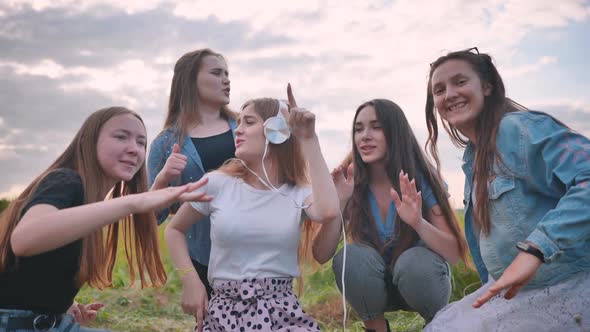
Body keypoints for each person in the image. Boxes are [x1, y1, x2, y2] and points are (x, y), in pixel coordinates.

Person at [423, 47, 590, 331]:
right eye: (439, 89)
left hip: (568, 285)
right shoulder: (472, 160)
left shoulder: (518, 129)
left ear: (487, 86)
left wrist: (535, 250)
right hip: (515, 293)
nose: (449, 94)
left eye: (460, 82)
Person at [0, 107, 210, 332]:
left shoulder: (89, 201)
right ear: (88, 141)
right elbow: (24, 240)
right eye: (121, 137)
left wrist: (61, 304)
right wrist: (133, 202)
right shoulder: (66, 180)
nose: (134, 149)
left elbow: (35, 270)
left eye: (141, 142)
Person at [165, 85, 340, 331]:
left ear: (276, 131)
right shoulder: (217, 183)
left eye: (248, 122)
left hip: (281, 311)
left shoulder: (297, 192)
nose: (238, 130)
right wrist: (190, 279)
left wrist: (309, 138)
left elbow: (329, 212)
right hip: (223, 312)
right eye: (238, 122)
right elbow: (174, 230)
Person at [312, 99, 468, 332]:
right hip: (374, 288)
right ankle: (375, 328)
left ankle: (438, 326)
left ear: (395, 132)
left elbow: (455, 253)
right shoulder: (348, 181)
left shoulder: (423, 178)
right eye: (358, 129)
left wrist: (418, 223)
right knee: (351, 257)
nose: (364, 136)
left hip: (421, 283)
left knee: (413, 262)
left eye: (376, 127)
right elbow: (321, 254)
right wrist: (340, 203)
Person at [148, 48, 236, 298]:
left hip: (257, 251)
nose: (226, 80)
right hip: (205, 259)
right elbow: (152, 217)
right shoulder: (164, 144)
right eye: (217, 73)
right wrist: (163, 179)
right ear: (190, 81)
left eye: (227, 74)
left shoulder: (247, 127)